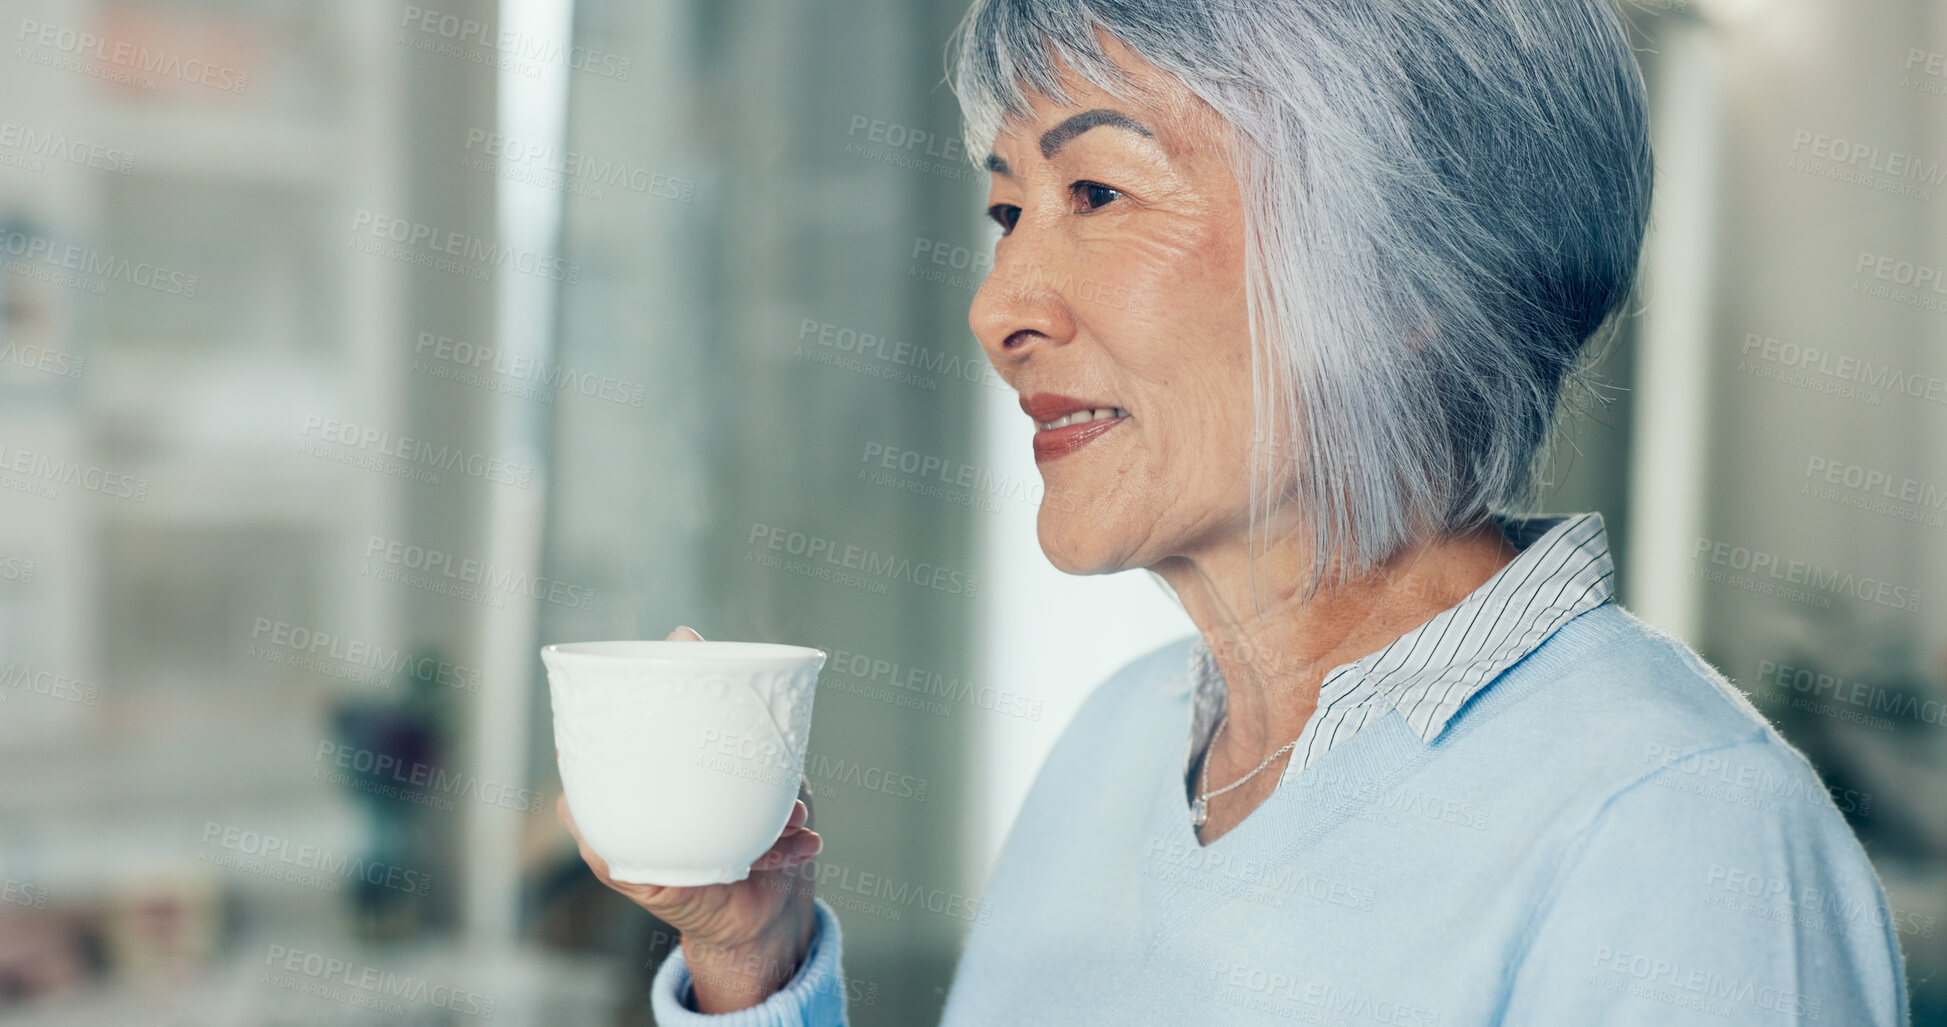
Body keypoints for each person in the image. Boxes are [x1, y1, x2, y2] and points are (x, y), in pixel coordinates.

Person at [560, 0, 1913, 1022]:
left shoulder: (1675, 830)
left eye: (1097, 193)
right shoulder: (1117, 745)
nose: (1000, 308)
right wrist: (752, 958)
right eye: (1006, 207)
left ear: (1409, 269)